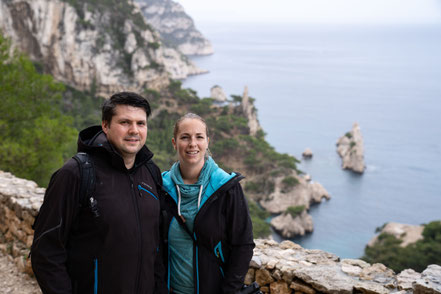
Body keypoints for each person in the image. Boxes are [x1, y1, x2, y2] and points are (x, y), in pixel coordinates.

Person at [31, 92, 167, 294]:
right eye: (124, 122)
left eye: (141, 123)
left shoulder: (151, 173)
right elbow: (46, 251)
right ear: (105, 125)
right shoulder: (76, 173)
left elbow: (156, 249)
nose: (134, 130)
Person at [161, 113, 255, 294]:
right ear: (174, 143)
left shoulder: (226, 188)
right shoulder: (162, 187)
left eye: (199, 137)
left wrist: (229, 291)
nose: (192, 144)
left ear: (207, 142)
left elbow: (243, 245)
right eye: (185, 137)